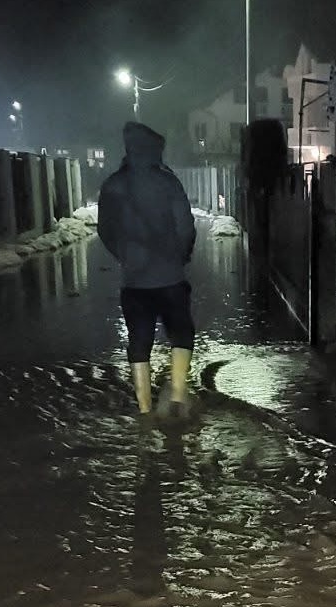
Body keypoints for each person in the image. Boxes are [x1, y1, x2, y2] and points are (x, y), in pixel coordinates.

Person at [98, 122, 196, 417]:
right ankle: (177, 395)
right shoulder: (168, 182)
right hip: (171, 277)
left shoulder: (113, 184)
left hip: (134, 281)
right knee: (182, 332)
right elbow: (185, 226)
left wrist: (126, 257)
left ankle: (144, 410)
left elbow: (104, 230)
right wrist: (181, 256)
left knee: (139, 342)